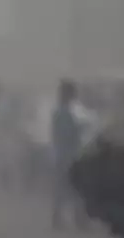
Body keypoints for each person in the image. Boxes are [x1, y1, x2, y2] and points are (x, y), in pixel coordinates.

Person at [51, 79, 87, 228]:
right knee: (74, 188)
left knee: (65, 188)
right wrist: (79, 130)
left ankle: (59, 219)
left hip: (62, 155)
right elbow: (67, 135)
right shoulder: (64, 113)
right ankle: (77, 220)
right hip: (67, 155)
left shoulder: (60, 111)